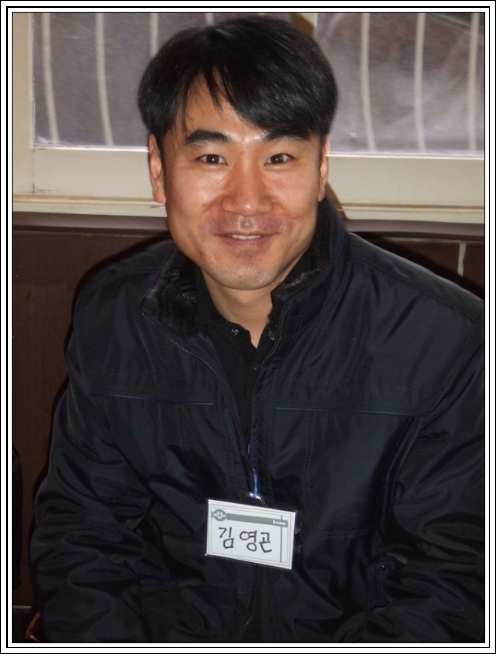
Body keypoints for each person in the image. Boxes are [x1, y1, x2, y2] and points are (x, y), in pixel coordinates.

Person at [31, 16, 484, 643]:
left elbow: (451, 580)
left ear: (320, 168)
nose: (247, 201)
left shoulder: (443, 338)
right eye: (212, 157)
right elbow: (84, 537)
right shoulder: (116, 317)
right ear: (159, 170)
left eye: (279, 157)